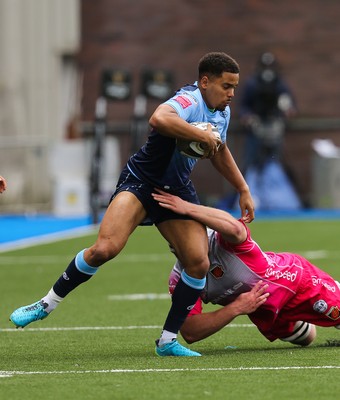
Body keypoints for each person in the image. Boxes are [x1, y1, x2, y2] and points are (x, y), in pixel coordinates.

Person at [9, 52, 255, 357]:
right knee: (105, 249)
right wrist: (199, 133)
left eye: (234, 87)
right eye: (226, 86)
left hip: (176, 191)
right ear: (205, 82)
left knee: (198, 262)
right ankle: (46, 303)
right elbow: (159, 118)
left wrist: (243, 188)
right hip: (140, 182)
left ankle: (167, 341)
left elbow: (219, 150)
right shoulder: (189, 100)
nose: (232, 93)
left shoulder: (222, 113)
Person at [152, 189, 340, 349]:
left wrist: (188, 207)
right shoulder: (180, 278)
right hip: (261, 309)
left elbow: (235, 228)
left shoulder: (221, 239)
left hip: (297, 283)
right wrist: (236, 308)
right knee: (306, 339)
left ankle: (334, 291)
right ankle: (306, 316)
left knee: (334, 314)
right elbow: (190, 332)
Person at [239, 52, 297, 172]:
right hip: (256, 127)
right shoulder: (252, 84)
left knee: (277, 160)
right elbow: (244, 105)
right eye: (265, 67)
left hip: (275, 126)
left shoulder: (280, 84)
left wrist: (288, 111)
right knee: (251, 160)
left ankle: (277, 187)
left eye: (270, 67)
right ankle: (247, 187)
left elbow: (289, 103)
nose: (267, 71)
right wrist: (246, 116)